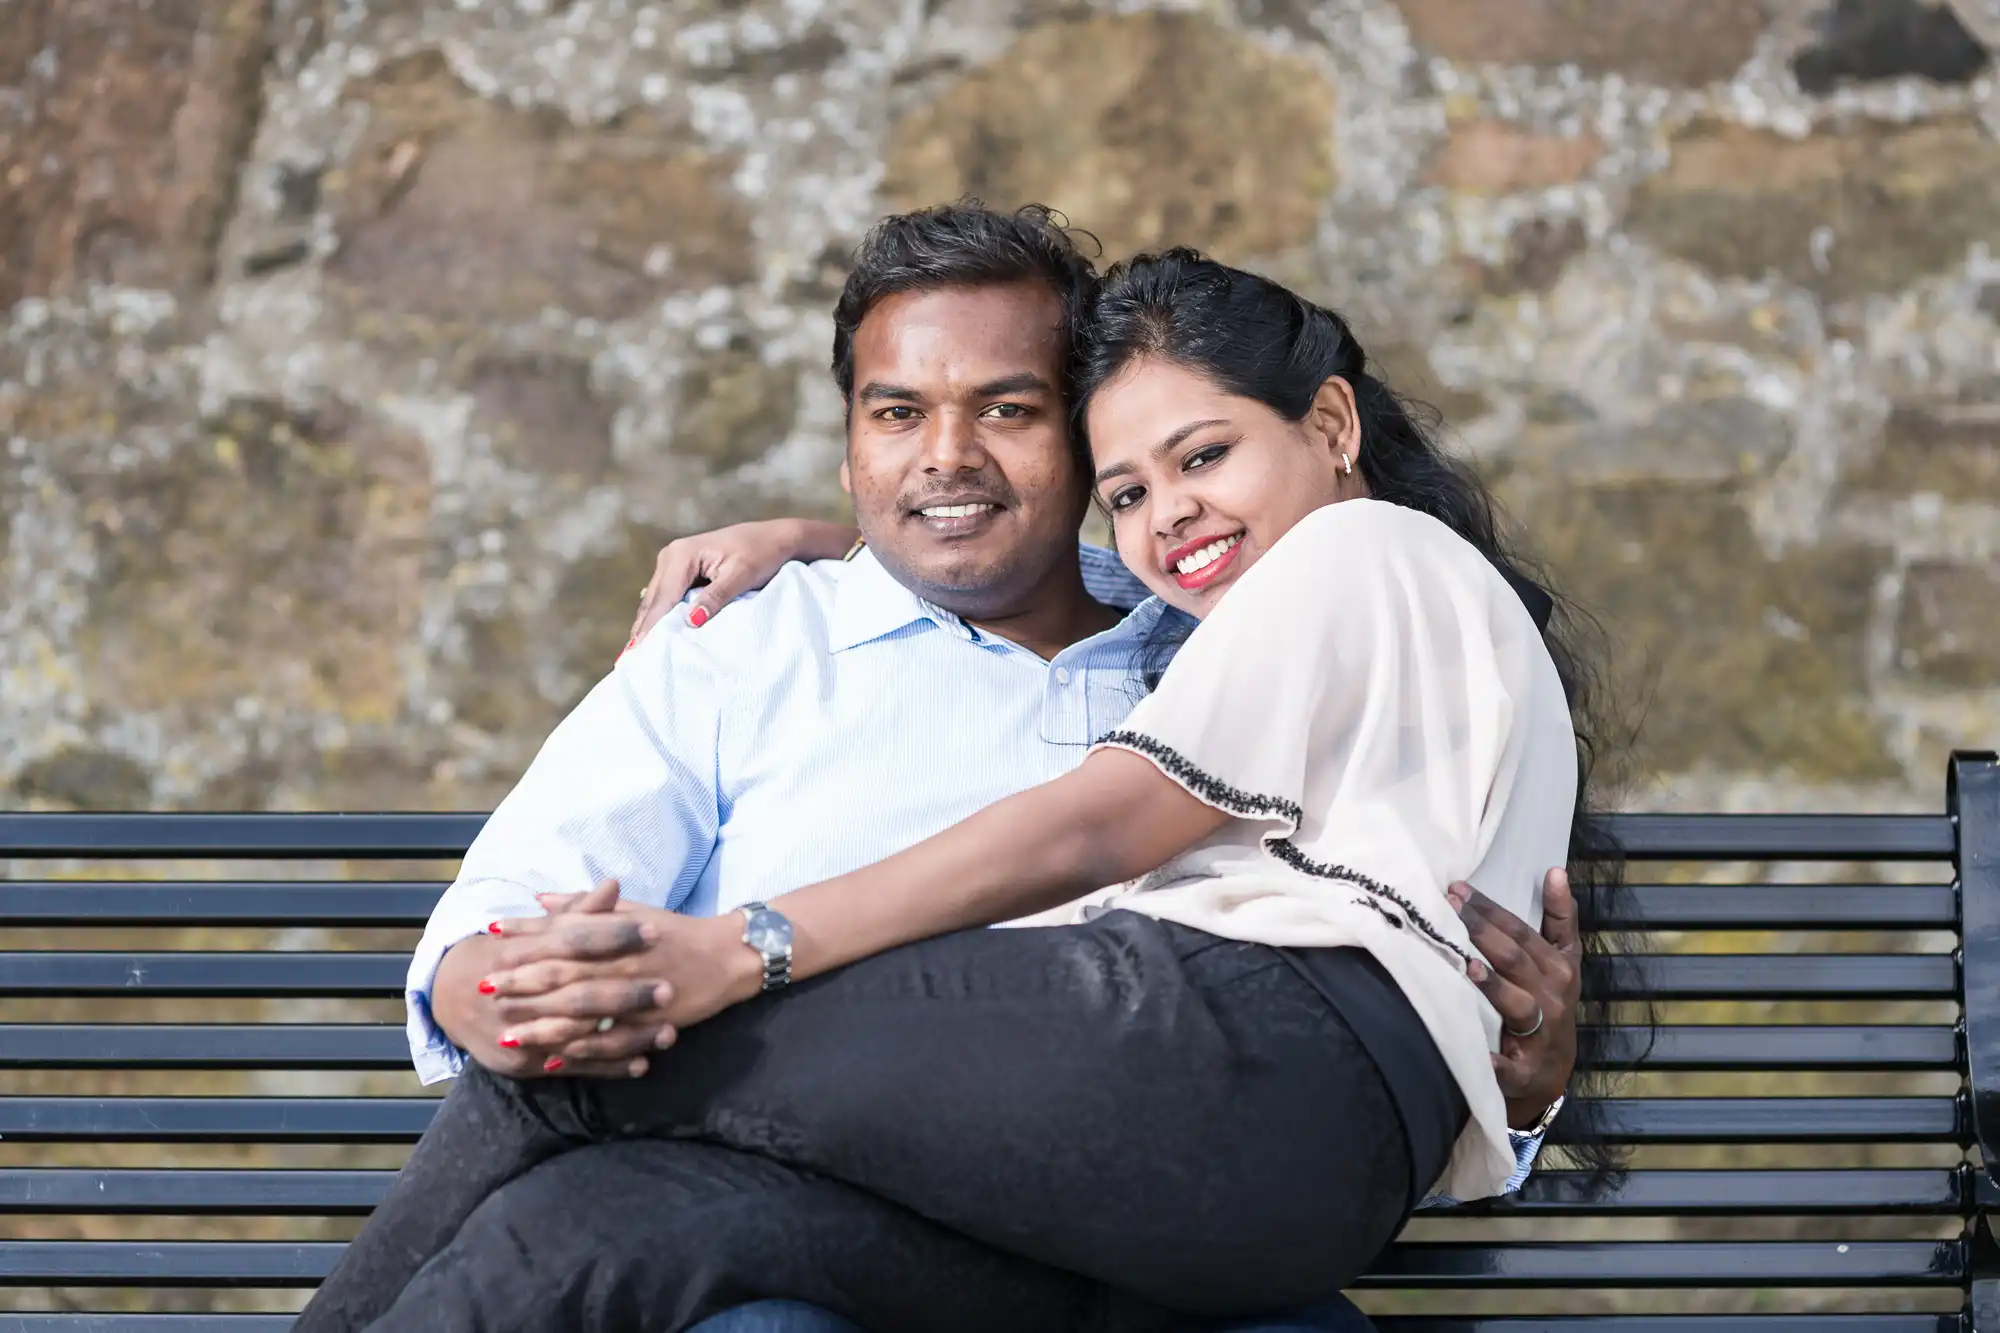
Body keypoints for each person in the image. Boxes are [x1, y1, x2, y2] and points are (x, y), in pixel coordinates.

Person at [298, 205, 1618, 1333]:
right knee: (592, 1230)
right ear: (853, 443)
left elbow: (1094, 828)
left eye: (1008, 413)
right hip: (1092, 1231)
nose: (947, 459)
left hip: (1216, 1117)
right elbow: (495, 953)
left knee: (607, 1069)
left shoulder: (1294, 588)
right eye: (900, 417)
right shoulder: (746, 646)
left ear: (1328, 422)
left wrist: (735, 951)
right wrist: (850, 551)